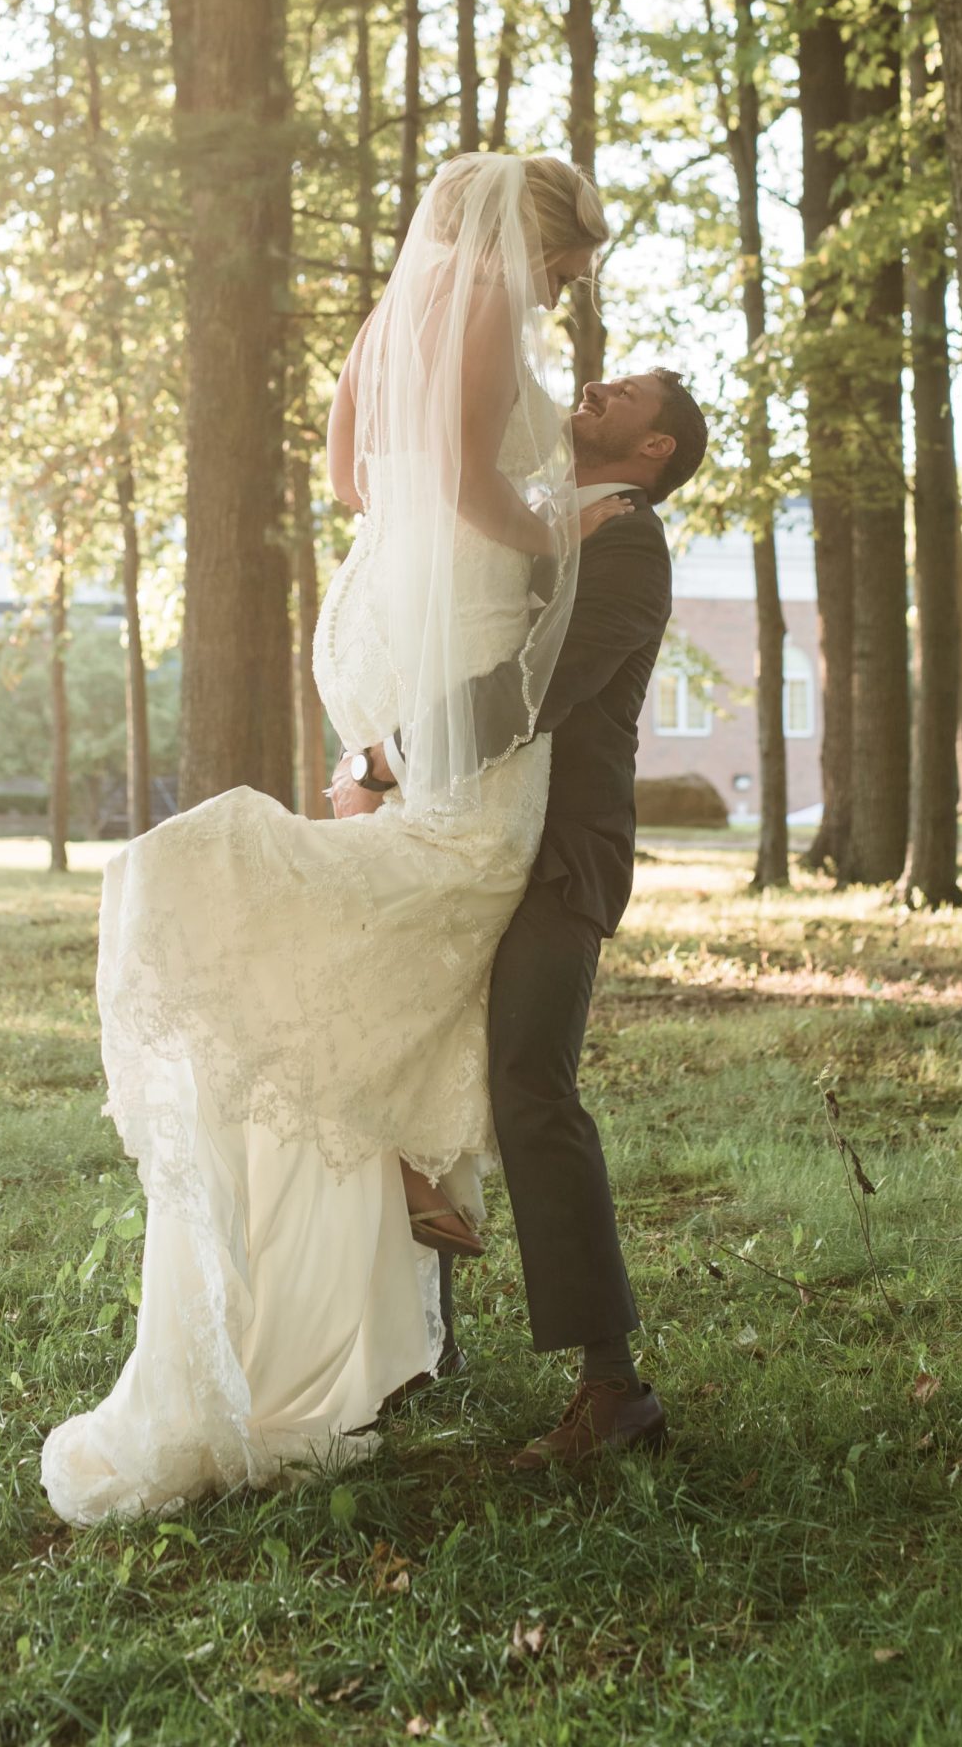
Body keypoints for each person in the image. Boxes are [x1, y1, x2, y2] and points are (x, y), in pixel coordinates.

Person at [41, 151, 625, 1522]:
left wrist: (446, 551)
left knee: (406, 922)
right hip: (463, 638)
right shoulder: (484, 297)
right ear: (529, 238)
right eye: (568, 265)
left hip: (381, 628)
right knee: (443, 903)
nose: (561, 291)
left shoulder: (399, 313)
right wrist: (549, 545)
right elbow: (462, 481)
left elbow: (355, 473)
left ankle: (411, 1185)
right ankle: (422, 1160)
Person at [334, 367, 707, 1465]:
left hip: (557, 856)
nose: (596, 386)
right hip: (466, 832)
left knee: (531, 1088)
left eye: (629, 394)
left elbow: (542, 688)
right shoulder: (542, 518)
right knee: (407, 1056)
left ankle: (615, 1387)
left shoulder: (632, 548)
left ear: (656, 451)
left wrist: (384, 758)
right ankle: (425, 1340)